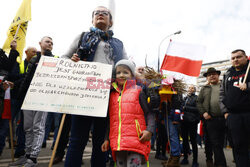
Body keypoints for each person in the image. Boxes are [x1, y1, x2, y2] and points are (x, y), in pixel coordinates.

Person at [63, 6, 127, 167]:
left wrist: (135, 70)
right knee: (77, 139)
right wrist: (72, 60)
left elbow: (126, 65)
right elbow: (64, 58)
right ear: (92, 19)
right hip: (83, 95)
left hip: (108, 96)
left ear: (110, 21)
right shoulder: (82, 37)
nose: (100, 14)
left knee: (102, 141)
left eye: (104, 13)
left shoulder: (118, 43)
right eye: (96, 13)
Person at [9, 36, 54, 167]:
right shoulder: (34, 59)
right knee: (27, 127)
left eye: (51, 43)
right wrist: (20, 92)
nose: (50, 44)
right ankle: (27, 155)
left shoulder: (52, 59)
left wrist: (48, 55)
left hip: (43, 98)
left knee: (38, 127)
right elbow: (27, 77)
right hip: (29, 97)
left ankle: (33, 158)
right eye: (47, 42)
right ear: (40, 43)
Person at [101, 59, 155, 167]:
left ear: (132, 75)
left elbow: (149, 113)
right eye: (118, 72)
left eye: (126, 72)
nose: (121, 75)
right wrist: (106, 139)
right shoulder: (112, 95)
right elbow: (111, 120)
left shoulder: (138, 91)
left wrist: (149, 130)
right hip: (118, 143)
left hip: (136, 140)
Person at [219, 49, 250, 167]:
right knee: (238, 147)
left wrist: (247, 86)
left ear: (246, 57)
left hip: (248, 113)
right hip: (234, 117)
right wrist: (225, 112)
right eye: (233, 58)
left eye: (238, 57)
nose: (235, 60)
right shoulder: (228, 74)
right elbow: (221, 95)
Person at [8, 47, 37, 158]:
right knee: (8, 122)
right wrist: (24, 78)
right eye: (33, 51)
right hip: (15, 97)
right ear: (26, 52)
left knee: (24, 126)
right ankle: (11, 141)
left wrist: (22, 79)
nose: (35, 54)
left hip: (26, 99)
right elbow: (12, 77)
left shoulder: (35, 65)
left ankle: (20, 149)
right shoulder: (18, 64)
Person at [197, 67, 227, 167]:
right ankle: (220, 164)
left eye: (214, 74)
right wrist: (204, 112)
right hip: (211, 119)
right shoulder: (204, 88)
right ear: (207, 78)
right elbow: (199, 102)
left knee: (221, 143)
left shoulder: (225, 85)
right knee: (215, 143)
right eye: (209, 75)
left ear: (218, 75)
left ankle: (218, 162)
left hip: (225, 118)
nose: (212, 76)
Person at [0, 40, 19, 156]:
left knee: (3, 128)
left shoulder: (1, 54)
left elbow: (8, 66)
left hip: (3, 97)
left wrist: (13, 50)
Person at [180, 85, 200, 167]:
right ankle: (185, 158)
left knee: (193, 141)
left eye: (192, 88)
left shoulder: (196, 98)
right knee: (184, 141)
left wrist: (186, 108)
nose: (190, 89)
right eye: (189, 88)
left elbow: (198, 109)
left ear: (194, 90)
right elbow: (181, 107)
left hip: (192, 122)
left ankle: (195, 161)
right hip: (184, 122)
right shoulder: (185, 98)